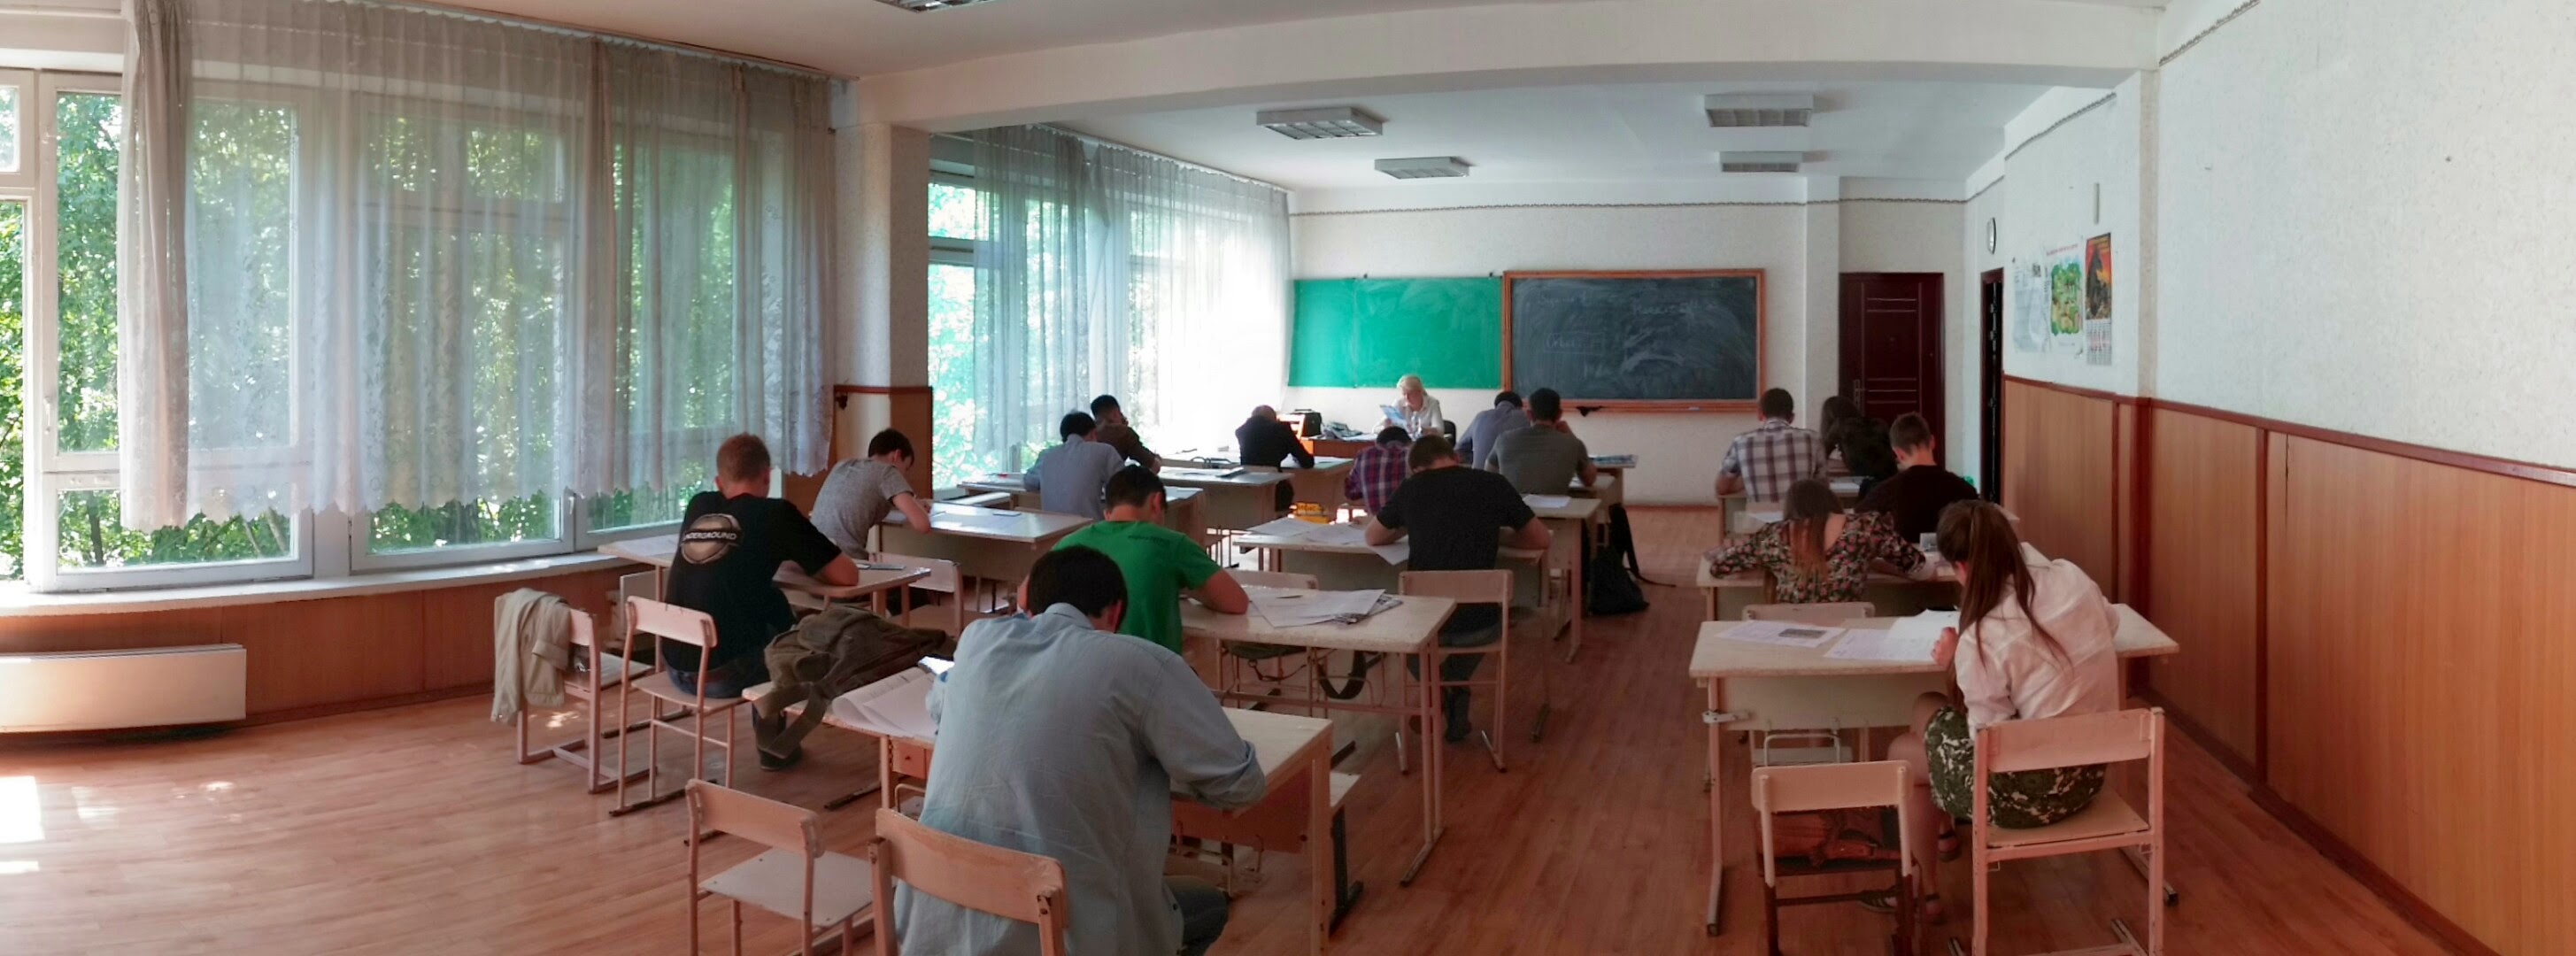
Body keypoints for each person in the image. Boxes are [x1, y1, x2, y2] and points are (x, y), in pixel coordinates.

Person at [896, 546, 1263, 956]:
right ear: (1116, 613)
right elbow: (1241, 785)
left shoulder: (977, 641)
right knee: (1208, 905)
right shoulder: (1142, 663)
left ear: (1028, 605)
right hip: (1065, 930)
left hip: (934, 925)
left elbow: (939, 710)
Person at [1881, 500, 2121, 919]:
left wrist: (1957, 663)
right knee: (1926, 707)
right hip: (2087, 777)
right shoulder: (2070, 576)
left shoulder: (1983, 634)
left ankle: (1924, 889)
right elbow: (2111, 624)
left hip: (2033, 796)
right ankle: (1943, 835)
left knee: (1903, 754)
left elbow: (1986, 740)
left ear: (1960, 568)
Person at [1365, 435, 1551, 741]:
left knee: (1407, 638)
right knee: (1482, 629)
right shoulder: (1494, 484)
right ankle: (1454, 690)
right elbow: (1541, 539)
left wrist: (1411, 525)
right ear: (1455, 457)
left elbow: (1373, 536)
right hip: (1479, 625)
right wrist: (1497, 534)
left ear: (1416, 469)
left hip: (1425, 626)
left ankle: (1436, 691)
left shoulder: (1412, 488)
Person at [661, 435, 860, 713]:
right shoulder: (776, 513)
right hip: (724, 675)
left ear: (719, 482)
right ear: (767, 476)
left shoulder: (699, 506)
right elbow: (848, 576)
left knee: (769, 603)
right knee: (809, 637)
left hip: (676, 668)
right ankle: (783, 734)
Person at [1053, 466, 1249, 655]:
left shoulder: (1066, 544)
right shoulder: (1170, 543)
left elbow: (1035, 605)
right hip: (1148, 671)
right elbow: (1236, 602)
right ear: (1156, 502)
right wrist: (1187, 588)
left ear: (1108, 512)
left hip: (1072, 669)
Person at [1701, 477, 1922, 603]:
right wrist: (1871, 561)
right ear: (1831, 501)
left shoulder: (1774, 537)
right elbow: (1919, 567)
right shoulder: (1866, 527)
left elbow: (1719, 568)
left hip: (1791, 639)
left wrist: (1761, 562)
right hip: (1849, 634)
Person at [1856, 412, 1981, 542]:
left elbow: (1858, 518)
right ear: (1932, 442)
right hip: (1953, 553)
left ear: (1898, 453)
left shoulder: (1888, 490)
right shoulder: (1965, 490)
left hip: (1905, 554)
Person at [810, 428, 935, 557]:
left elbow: (865, 497)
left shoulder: (842, 465)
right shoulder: (888, 472)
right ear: (896, 456)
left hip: (808, 553)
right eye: (906, 468)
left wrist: (913, 502)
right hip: (842, 558)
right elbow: (923, 525)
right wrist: (918, 507)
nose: (904, 475)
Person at [1716, 388, 1824, 503]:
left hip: (1759, 514)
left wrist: (1747, 480)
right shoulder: (1813, 439)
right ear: (1792, 417)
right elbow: (1823, 488)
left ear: (1760, 415)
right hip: (1800, 514)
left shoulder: (1741, 442)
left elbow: (1721, 488)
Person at [1486, 387, 1599, 494]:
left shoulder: (1503, 440)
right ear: (1559, 414)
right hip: (1555, 508)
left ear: (1529, 414)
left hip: (1513, 507)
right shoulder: (1573, 444)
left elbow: (1488, 475)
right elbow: (1589, 480)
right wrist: (1571, 435)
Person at [1026, 411, 1127, 520]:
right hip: (1089, 526)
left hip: (1052, 528)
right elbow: (1125, 487)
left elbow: (1029, 483)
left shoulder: (1047, 455)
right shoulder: (1104, 451)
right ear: (1093, 433)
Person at [1235, 405, 1315, 511]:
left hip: (1248, 489)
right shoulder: (1281, 429)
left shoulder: (1241, 431)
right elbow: (1307, 462)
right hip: (1275, 489)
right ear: (1274, 418)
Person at [1819, 396, 1898, 493]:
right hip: (1892, 479)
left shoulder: (1840, 427)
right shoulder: (1877, 424)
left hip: (1867, 483)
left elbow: (1822, 455)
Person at [1343, 427, 1412, 513]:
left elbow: (1351, 494)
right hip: (1412, 520)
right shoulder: (1414, 455)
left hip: (1376, 520)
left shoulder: (1365, 455)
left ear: (1377, 444)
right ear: (1409, 443)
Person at [1454, 390, 1527, 471]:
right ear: (1519, 407)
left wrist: (1478, 458)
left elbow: (1459, 450)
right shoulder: (1524, 417)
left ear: (1496, 405)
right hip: (1511, 476)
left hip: (1480, 474)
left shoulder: (1481, 417)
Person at [1089, 394, 1161, 472]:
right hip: (1112, 480)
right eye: (1120, 413)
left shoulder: (1086, 433)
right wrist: (1157, 459)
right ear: (1115, 414)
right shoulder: (1124, 434)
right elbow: (1154, 467)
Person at [1380, 374, 1446, 439]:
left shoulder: (1432, 403)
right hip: (1404, 442)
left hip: (1425, 442)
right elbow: (1377, 428)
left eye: (1410, 394)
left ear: (1419, 392)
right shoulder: (1399, 403)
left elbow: (1440, 431)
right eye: (1404, 394)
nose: (1407, 398)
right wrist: (1386, 424)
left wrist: (1424, 431)